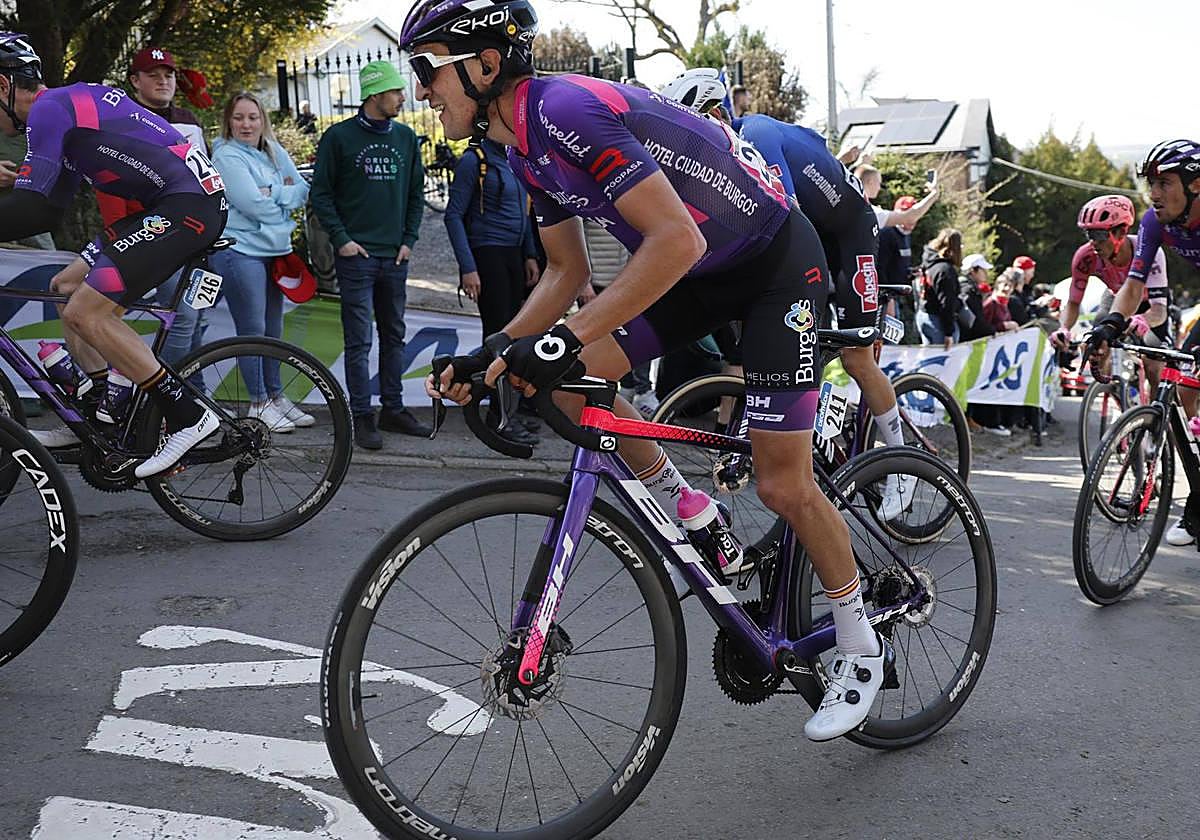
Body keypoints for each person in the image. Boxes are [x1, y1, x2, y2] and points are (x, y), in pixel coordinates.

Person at [405, 0, 894, 740]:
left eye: (426, 69)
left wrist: (560, 338)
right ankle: (697, 517)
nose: (420, 90)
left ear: (482, 64)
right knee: (564, 384)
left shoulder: (563, 109)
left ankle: (860, 641)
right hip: (696, 267)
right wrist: (496, 348)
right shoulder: (523, 142)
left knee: (782, 482)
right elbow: (565, 271)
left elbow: (673, 241)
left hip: (771, 265)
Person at [659, 66, 914, 518]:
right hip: (812, 237)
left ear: (717, 113)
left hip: (849, 232)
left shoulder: (754, 134)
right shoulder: (722, 161)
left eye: (695, 128)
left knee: (857, 357)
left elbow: (784, 216)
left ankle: (903, 467)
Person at [0, 33, 227, 476]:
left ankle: (188, 416)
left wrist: (18, 194)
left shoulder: (50, 109)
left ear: (2, 86)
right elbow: (47, 210)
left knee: (90, 312)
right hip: (165, 206)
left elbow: (33, 207)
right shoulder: (57, 115)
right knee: (66, 289)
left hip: (187, 207)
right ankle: (98, 410)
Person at [310, 60, 430, 450]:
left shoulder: (407, 138)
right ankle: (361, 415)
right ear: (376, 94)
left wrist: (409, 238)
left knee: (394, 334)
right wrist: (342, 239)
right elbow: (321, 196)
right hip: (356, 257)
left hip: (395, 257)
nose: (402, 98)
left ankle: (393, 409)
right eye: (397, 92)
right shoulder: (338, 138)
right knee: (359, 341)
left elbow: (416, 196)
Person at [1083, 144, 1200, 545]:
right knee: (1184, 392)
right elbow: (1133, 285)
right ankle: (1196, 503)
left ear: (1195, 184)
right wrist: (1109, 327)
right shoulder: (1154, 222)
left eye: (1164, 183)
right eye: (1150, 183)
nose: (1153, 193)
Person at [94, 46, 210, 375]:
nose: (163, 81)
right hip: (152, 235)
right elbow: (109, 187)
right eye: (153, 75)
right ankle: (164, 403)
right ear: (135, 80)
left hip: (197, 233)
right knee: (182, 319)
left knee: (198, 318)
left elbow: (206, 178)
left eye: (169, 74)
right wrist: (123, 240)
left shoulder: (190, 122)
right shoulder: (121, 123)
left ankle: (193, 394)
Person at [209, 92, 313, 432]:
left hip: (274, 251)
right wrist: (278, 198)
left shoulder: (270, 149)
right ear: (228, 121)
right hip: (241, 253)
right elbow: (252, 203)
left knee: (273, 330)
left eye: (252, 117)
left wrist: (275, 193)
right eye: (238, 117)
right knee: (252, 331)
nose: (246, 124)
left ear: (262, 120)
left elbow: (301, 188)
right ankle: (256, 404)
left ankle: (274, 395)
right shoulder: (226, 155)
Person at [444, 134, 542, 445]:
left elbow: (526, 213)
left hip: (513, 256)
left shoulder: (513, 160)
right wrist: (468, 267)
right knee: (501, 337)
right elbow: (453, 215)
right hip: (487, 256)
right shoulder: (474, 160)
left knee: (519, 337)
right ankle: (497, 418)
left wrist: (529, 254)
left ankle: (510, 411)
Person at [854, 163, 938, 230]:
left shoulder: (846, 202)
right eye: (879, 183)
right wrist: (934, 194)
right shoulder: (868, 212)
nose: (879, 188)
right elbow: (909, 217)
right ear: (870, 182)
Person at [916, 228, 963, 348]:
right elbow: (947, 303)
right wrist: (949, 332)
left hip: (924, 314)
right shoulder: (945, 270)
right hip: (938, 321)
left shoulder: (928, 262)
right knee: (944, 362)